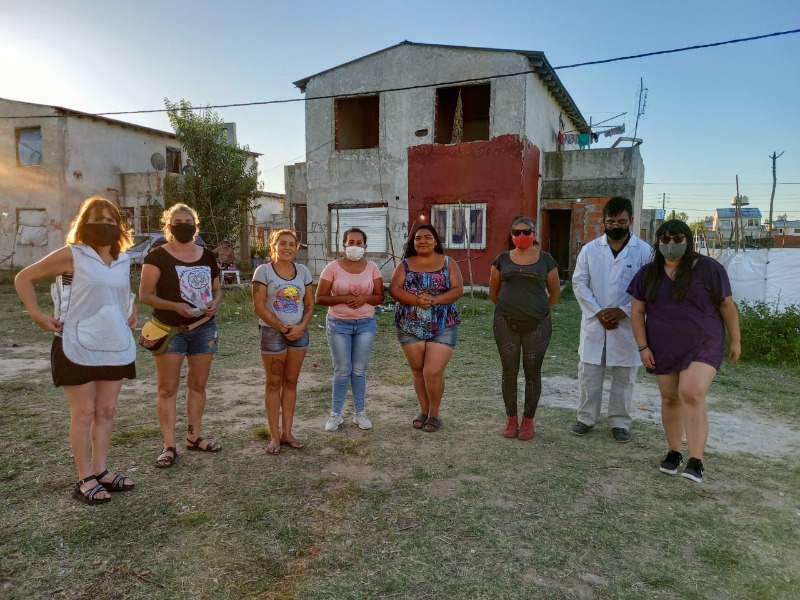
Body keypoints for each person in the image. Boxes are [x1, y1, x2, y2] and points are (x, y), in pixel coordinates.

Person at [15, 196, 137, 505]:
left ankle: (101, 470)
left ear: (119, 226)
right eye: (98, 219)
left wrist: (131, 308)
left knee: (106, 411)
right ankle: (85, 478)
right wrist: (37, 314)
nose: (105, 226)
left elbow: (121, 292)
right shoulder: (73, 254)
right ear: (84, 224)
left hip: (114, 344)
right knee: (84, 413)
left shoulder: (124, 259)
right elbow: (23, 278)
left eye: (111, 221)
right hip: (76, 344)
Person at [628, 220, 741, 483]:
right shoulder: (648, 273)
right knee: (670, 398)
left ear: (688, 240)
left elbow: (726, 305)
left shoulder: (709, 268)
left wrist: (736, 340)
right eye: (664, 239)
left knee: (691, 392)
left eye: (677, 238)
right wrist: (643, 347)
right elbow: (637, 311)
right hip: (662, 345)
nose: (670, 244)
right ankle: (674, 452)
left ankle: (696, 459)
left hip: (704, 341)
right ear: (658, 243)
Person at [139, 203, 223, 468]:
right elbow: (145, 294)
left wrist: (215, 302)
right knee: (167, 388)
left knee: (198, 385)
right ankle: (169, 445)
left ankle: (193, 436)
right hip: (170, 330)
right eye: (177, 221)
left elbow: (217, 289)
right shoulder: (157, 256)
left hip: (204, 329)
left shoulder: (208, 256)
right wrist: (175, 306)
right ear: (169, 227)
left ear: (196, 227)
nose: (183, 224)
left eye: (188, 221)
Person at [571, 197, 653, 442]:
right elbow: (579, 283)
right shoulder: (590, 249)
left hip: (627, 323)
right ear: (603, 221)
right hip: (596, 321)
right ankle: (586, 418)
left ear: (630, 221)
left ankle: (620, 422)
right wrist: (598, 312)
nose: (616, 225)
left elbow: (648, 287)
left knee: (625, 376)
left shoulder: (644, 251)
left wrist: (623, 311)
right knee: (589, 373)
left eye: (621, 221)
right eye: (610, 221)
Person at [489, 216, 560, 441]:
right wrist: (509, 308)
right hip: (505, 322)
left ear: (534, 234)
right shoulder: (501, 259)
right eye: (517, 232)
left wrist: (538, 310)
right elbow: (493, 292)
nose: (522, 236)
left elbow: (555, 293)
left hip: (538, 323)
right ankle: (511, 418)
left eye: (527, 232)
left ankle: (528, 420)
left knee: (533, 372)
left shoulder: (546, 260)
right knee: (509, 372)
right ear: (512, 236)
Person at [389, 223, 463, 432]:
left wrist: (434, 299)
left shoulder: (449, 263)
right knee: (418, 370)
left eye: (427, 237)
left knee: (432, 371)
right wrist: (416, 300)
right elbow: (394, 289)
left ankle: (434, 414)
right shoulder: (405, 264)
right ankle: (423, 410)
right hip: (409, 323)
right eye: (418, 238)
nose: (422, 241)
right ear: (413, 242)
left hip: (443, 323)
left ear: (436, 241)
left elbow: (458, 289)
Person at [316, 228, 384, 432]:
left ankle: (359, 413)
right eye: (350, 242)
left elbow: (380, 296)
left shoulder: (372, 267)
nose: (354, 245)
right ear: (344, 244)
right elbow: (320, 297)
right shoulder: (332, 268)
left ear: (365, 246)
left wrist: (364, 299)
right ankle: (335, 415)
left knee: (359, 370)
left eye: (359, 242)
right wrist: (345, 298)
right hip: (339, 324)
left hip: (365, 324)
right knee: (342, 370)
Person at [252, 229, 313, 454]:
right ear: (274, 246)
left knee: (291, 383)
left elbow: (309, 304)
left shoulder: (303, 271)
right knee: (273, 383)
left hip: (298, 334)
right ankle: (274, 436)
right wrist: (281, 327)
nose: (287, 247)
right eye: (282, 243)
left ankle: (287, 433)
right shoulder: (264, 271)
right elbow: (258, 306)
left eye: (292, 244)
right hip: (272, 333)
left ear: (297, 247)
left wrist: (300, 327)